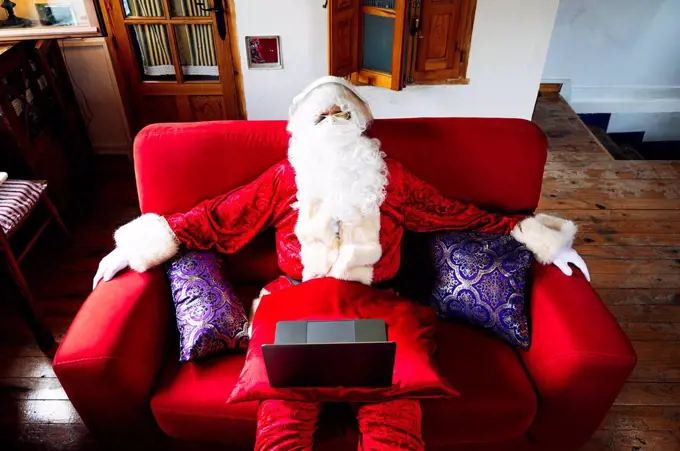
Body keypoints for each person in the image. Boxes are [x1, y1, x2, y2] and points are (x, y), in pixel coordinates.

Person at [93, 76, 589, 450]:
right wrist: (139, 244)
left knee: (394, 417)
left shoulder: (389, 175)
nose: (333, 123)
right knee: (283, 419)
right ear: (302, 128)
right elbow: (220, 217)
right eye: (321, 115)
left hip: (376, 307)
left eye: (342, 114)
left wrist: (533, 236)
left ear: (360, 123)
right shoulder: (285, 177)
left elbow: (452, 214)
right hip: (296, 308)